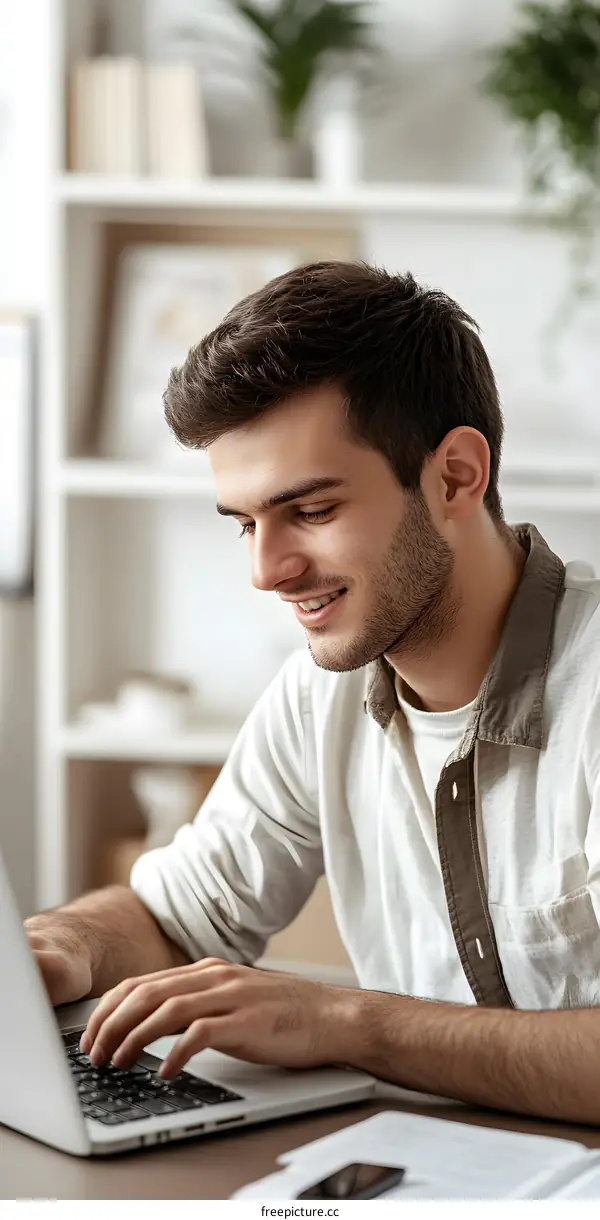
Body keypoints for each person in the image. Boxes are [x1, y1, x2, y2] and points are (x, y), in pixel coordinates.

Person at [26, 261, 600, 1125]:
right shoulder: (318, 697)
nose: (267, 570)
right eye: (247, 523)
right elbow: (175, 913)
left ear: (455, 476)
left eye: (313, 511)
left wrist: (343, 1021)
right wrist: (61, 950)